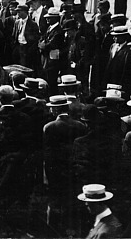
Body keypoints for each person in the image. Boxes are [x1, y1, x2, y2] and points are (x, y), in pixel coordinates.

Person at [43, 95, 87, 236]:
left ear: (55, 110)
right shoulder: (80, 125)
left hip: (55, 172)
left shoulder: (49, 127)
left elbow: (47, 154)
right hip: (74, 171)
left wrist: (46, 177)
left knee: (55, 205)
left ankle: (53, 234)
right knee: (74, 204)